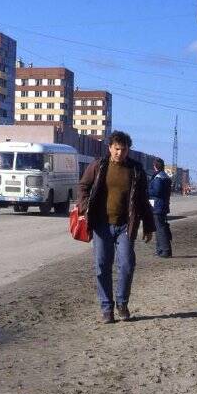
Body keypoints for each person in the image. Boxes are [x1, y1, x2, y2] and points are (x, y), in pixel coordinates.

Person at [79, 131, 155, 324]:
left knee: (127, 265)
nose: (119, 153)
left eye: (123, 149)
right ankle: (107, 309)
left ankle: (122, 303)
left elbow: (143, 200)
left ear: (128, 149)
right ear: (110, 148)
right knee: (102, 267)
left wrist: (148, 225)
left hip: (125, 226)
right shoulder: (98, 166)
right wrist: (85, 205)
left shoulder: (136, 170)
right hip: (101, 225)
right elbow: (84, 186)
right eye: (116, 149)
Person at [148, 158, 173, 258]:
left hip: (157, 205)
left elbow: (156, 191)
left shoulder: (158, 177)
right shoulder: (165, 176)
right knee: (160, 228)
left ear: (155, 166)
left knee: (160, 229)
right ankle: (160, 250)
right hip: (162, 205)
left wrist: (146, 192)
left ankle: (165, 250)